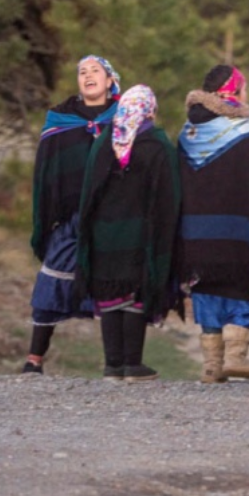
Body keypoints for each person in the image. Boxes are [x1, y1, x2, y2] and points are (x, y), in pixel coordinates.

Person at [175, 65, 249, 383]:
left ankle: (212, 365)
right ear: (233, 93)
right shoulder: (243, 137)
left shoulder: (187, 136)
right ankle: (237, 355)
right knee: (241, 286)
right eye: (245, 88)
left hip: (195, 236)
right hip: (235, 236)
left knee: (206, 289)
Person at [24, 55, 120, 374]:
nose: (88, 76)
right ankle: (34, 360)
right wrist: (48, 216)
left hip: (112, 218)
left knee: (115, 286)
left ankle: (117, 363)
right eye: (82, 72)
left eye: (95, 71)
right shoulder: (60, 120)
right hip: (70, 217)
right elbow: (46, 172)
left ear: (110, 81)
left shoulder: (125, 118)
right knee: (51, 281)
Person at [77, 85, 180, 382]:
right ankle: (133, 364)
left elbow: (88, 191)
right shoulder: (156, 144)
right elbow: (169, 194)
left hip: (104, 234)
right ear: (149, 109)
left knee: (110, 294)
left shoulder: (103, 141)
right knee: (135, 293)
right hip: (140, 233)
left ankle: (112, 365)